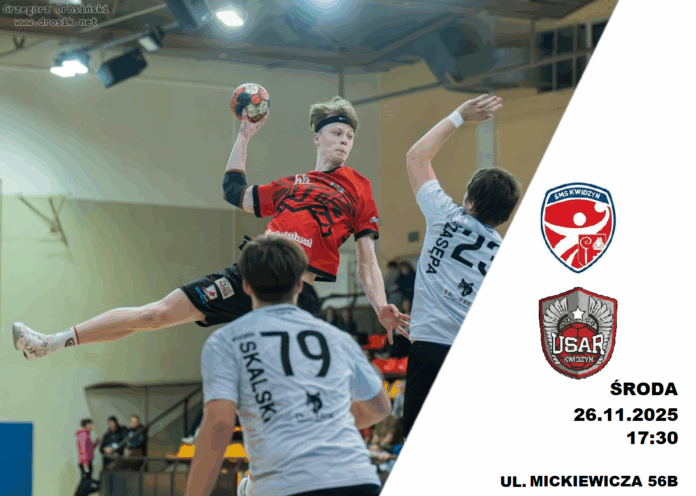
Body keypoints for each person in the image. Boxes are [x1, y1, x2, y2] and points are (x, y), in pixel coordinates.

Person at [12, 96, 409, 361]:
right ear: (317, 136)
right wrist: (244, 136)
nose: (344, 141)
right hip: (249, 276)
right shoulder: (291, 184)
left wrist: (380, 307)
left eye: (350, 136)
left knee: (281, 378)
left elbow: (367, 262)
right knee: (155, 314)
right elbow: (234, 191)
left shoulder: (359, 188)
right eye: (337, 133)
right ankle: (50, 343)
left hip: (293, 292)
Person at [185, 236, 391, 496]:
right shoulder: (337, 337)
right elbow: (380, 407)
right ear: (300, 285)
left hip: (288, 485)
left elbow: (218, 426)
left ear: (246, 285)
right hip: (357, 480)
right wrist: (318, 427)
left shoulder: (226, 341)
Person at [401, 94, 521, 442]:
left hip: (430, 346)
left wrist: (459, 116)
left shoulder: (444, 214)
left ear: (468, 201)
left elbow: (416, 157)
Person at [75, 419, 99, 483]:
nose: (91, 426)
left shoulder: (87, 435)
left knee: (87, 480)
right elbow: (83, 449)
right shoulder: (83, 435)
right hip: (85, 463)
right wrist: (85, 463)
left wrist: (96, 441)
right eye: (90, 424)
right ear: (86, 425)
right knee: (85, 481)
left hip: (88, 461)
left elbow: (91, 448)